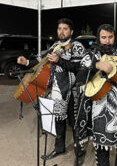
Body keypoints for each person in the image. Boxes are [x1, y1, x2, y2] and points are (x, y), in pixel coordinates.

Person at [17, 18, 86, 164]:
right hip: (57, 91)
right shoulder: (55, 45)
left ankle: (79, 152)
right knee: (58, 121)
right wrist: (27, 63)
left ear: (71, 31)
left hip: (73, 92)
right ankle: (59, 148)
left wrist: (59, 61)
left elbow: (79, 68)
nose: (61, 31)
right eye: (59, 28)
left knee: (75, 124)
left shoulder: (77, 46)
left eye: (65, 29)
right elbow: (42, 61)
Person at [75, 24, 117, 166]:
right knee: (101, 148)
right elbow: (80, 77)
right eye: (103, 37)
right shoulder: (91, 54)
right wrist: (96, 65)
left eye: (110, 37)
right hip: (99, 107)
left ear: (115, 37)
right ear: (98, 38)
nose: (107, 41)